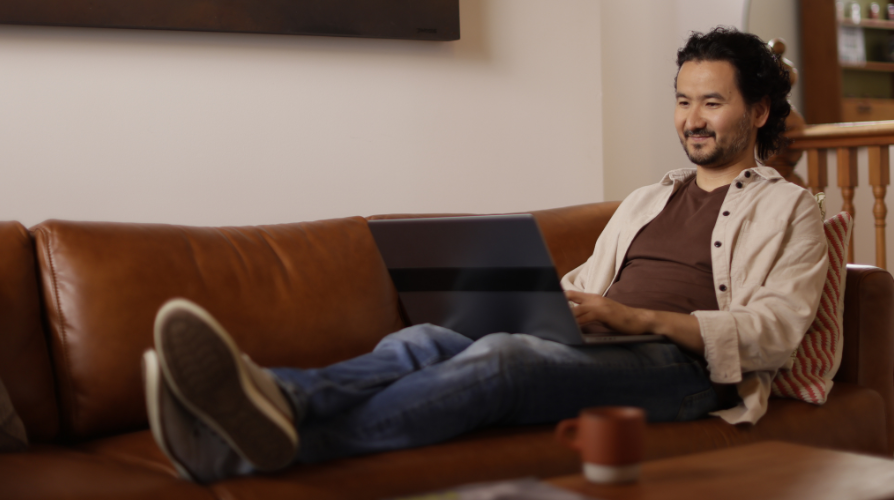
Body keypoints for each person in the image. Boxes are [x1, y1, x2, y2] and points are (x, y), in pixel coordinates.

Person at [143, 27, 828, 483]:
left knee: (507, 363)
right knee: (427, 337)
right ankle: (273, 396)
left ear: (759, 110)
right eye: (683, 101)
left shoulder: (792, 208)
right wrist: (542, 306)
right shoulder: (650, 198)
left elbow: (778, 331)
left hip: (686, 372)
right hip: (606, 344)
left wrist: (637, 320)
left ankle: (249, 440)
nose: (693, 119)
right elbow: (585, 286)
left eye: (712, 102)